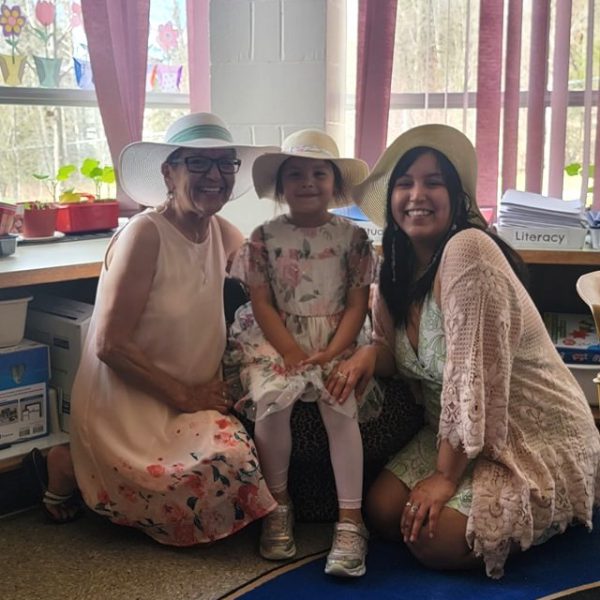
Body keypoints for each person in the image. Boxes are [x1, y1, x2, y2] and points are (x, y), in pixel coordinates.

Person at [329, 123, 600, 578]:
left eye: (434, 182)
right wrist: (364, 357)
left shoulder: (467, 250)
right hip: (454, 432)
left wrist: (445, 478)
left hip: (526, 435)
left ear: (456, 197)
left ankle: (558, 502)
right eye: (405, 183)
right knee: (381, 511)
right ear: (391, 198)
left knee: (436, 541)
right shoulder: (393, 263)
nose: (418, 194)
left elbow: (470, 375)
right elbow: (391, 353)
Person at [24, 112, 279, 545]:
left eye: (224, 163)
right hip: (134, 404)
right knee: (218, 474)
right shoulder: (145, 234)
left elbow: (270, 282)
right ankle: (72, 463)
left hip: (191, 400)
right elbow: (109, 345)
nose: (214, 176)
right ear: (168, 172)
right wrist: (187, 395)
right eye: (198, 163)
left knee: (237, 462)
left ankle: (97, 473)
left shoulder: (220, 231)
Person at [228, 129, 382, 577]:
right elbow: (262, 302)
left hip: (338, 335)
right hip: (278, 337)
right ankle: (278, 503)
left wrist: (335, 349)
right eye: (295, 174)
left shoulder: (353, 238)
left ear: (336, 184)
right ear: (280, 186)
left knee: (340, 403)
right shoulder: (264, 236)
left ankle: (351, 519)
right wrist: (292, 351)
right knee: (272, 404)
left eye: (319, 172)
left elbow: (358, 304)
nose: (308, 181)